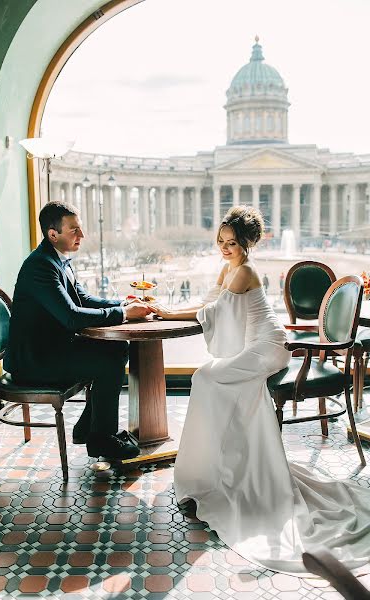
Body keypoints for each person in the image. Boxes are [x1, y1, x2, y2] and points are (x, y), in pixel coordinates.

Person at [151, 205, 370, 576]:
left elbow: (216, 314)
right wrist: (166, 312)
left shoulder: (245, 272)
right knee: (211, 382)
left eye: (231, 243)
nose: (224, 248)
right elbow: (208, 306)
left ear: (247, 244)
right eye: (220, 241)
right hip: (252, 346)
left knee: (205, 379)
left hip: (267, 348)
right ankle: (223, 468)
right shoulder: (228, 269)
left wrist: (167, 314)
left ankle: (219, 471)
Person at [4, 201, 152, 461]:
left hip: (50, 349)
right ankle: (101, 440)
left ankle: (89, 427)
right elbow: (71, 316)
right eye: (74, 230)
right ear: (53, 234)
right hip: (35, 361)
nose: (81, 236)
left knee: (117, 347)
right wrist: (124, 315)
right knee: (106, 364)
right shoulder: (40, 266)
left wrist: (123, 304)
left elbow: (83, 299)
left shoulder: (59, 260)